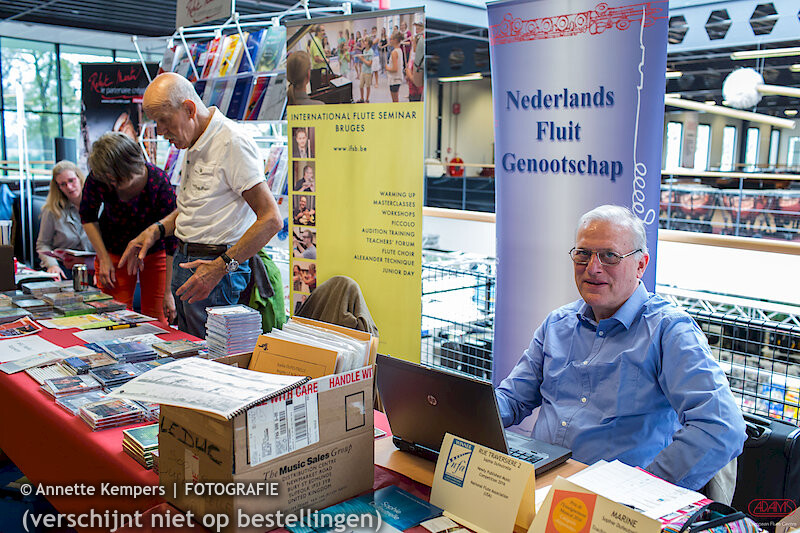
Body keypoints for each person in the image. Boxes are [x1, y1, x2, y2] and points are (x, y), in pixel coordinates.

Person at [495, 205, 746, 491]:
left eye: (609, 256)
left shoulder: (668, 331)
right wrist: (463, 416)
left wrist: (644, 489)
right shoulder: (557, 324)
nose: (593, 268)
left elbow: (721, 428)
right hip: (540, 484)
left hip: (613, 502)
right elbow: (513, 399)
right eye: (583, 254)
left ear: (641, 265)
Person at [118, 72, 282, 338]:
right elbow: (196, 207)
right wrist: (156, 230)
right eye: (156, 122)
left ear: (189, 109)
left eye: (164, 120)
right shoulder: (194, 140)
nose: (160, 131)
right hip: (188, 262)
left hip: (215, 269)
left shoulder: (232, 142)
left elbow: (271, 219)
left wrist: (220, 267)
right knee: (190, 351)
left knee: (212, 356)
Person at [80, 132, 177, 322]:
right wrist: (103, 258)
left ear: (129, 166)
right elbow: (87, 217)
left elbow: (172, 239)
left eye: (115, 178)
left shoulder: (159, 181)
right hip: (113, 250)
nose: (112, 184)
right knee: (113, 315)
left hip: (154, 252)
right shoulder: (98, 177)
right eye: (108, 179)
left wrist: (168, 291)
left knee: (157, 317)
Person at [36, 161, 94, 279]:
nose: (69, 187)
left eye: (72, 180)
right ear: (58, 187)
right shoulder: (52, 210)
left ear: (80, 178)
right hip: (65, 268)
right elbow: (43, 245)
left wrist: (101, 266)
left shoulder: (99, 204)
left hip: (93, 266)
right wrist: (52, 265)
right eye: (63, 184)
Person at [406, 21, 425, 102]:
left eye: (413, 43)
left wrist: (409, 74)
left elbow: (418, 82)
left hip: (417, 93)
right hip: (413, 90)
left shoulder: (420, 62)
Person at [386, 32, 405, 103]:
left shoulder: (394, 52)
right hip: (397, 79)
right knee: (395, 100)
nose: (390, 41)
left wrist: (387, 68)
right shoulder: (399, 50)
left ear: (395, 40)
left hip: (394, 79)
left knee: (395, 101)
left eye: (391, 39)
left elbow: (395, 69)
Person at [358, 37, 374, 103]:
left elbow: (369, 63)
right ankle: (362, 98)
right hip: (363, 70)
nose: (364, 42)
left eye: (366, 41)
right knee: (361, 85)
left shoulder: (371, 51)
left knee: (368, 86)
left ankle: (367, 99)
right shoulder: (364, 50)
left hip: (368, 72)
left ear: (369, 43)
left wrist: (362, 59)